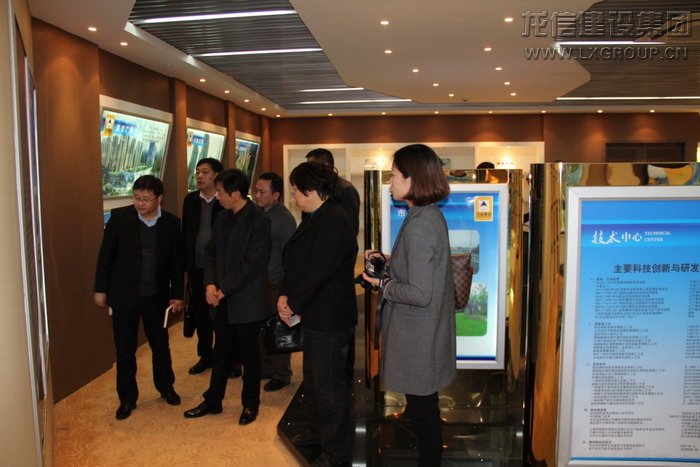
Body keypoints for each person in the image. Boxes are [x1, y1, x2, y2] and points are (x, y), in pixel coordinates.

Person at [362, 144, 457, 466]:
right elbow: (420, 268)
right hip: (425, 333)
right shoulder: (428, 215)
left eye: (393, 175)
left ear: (412, 178)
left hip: (418, 338)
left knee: (424, 416)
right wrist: (388, 260)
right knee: (424, 410)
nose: (390, 181)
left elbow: (419, 293)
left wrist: (382, 284)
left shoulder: (420, 224)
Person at [278, 162, 358, 467]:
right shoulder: (316, 215)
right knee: (313, 382)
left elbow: (318, 270)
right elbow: (299, 261)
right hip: (315, 312)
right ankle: (316, 432)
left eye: (296, 191)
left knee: (329, 388)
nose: (294, 196)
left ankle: (336, 453)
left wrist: (292, 301)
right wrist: (286, 293)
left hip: (330, 316)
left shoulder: (335, 219)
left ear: (311, 191)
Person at [183, 169, 271, 426]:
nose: (217, 196)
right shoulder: (221, 217)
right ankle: (213, 400)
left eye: (221, 192)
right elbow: (210, 253)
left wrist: (224, 289)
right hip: (221, 299)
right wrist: (210, 283)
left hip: (247, 299)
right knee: (221, 352)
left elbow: (253, 264)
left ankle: (250, 404)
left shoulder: (259, 221)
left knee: (249, 356)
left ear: (236, 194)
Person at [93, 175, 184, 420]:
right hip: (124, 296)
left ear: (159, 199)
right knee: (124, 350)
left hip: (155, 296)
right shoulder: (120, 218)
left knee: (160, 346)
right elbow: (105, 256)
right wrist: (100, 289)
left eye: (146, 199)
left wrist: (177, 294)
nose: (140, 203)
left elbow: (176, 263)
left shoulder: (171, 223)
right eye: (136, 197)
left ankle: (166, 387)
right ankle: (127, 398)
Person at [252, 172, 297, 392]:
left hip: (275, 282)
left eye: (262, 192)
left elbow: (291, 256)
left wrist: (286, 288)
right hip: (256, 281)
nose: (257, 195)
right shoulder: (255, 213)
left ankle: (282, 374)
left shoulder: (284, 219)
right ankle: (265, 367)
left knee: (279, 329)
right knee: (261, 327)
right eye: (256, 190)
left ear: (276, 195)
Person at [181, 158, 224, 375]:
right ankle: (206, 356)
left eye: (205, 172)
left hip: (221, 269)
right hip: (197, 268)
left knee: (223, 315)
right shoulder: (190, 200)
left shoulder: (225, 199)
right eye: (197, 171)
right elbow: (186, 234)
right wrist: (186, 267)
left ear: (216, 175)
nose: (199, 176)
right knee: (202, 315)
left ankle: (229, 359)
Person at [305, 148, 360, 236]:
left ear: (326, 166)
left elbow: (351, 228)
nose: (308, 171)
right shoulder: (315, 188)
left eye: (311, 166)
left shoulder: (346, 189)